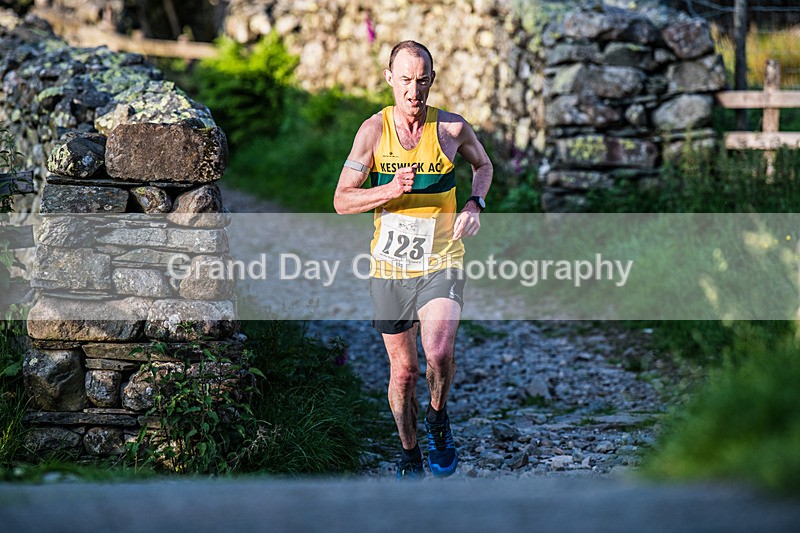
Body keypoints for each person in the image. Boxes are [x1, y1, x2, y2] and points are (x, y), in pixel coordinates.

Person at [334, 40, 493, 479]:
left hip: (442, 260)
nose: (413, 90)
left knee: (439, 353)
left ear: (432, 80)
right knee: (404, 374)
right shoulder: (372, 131)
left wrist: (475, 203)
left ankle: (438, 418)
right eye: (405, 80)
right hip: (389, 269)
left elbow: (484, 165)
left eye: (421, 80)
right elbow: (341, 200)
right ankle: (409, 454)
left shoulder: (453, 130)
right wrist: (388, 190)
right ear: (389, 79)